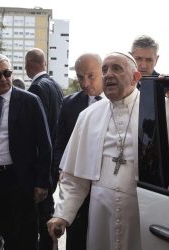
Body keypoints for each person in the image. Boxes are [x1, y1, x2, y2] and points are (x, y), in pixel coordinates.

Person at [47, 52, 169, 250]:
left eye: (116, 68)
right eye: (105, 70)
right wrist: (62, 214)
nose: (108, 74)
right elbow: (74, 178)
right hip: (101, 216)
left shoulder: (161, 109)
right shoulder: (88, 116)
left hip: (147, 213)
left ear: (136, 77)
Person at [0, 53, 52, 250]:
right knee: (3, 230)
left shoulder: (30, 102)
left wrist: (42, 182)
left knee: (27, 236)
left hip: (21, 180)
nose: (4, 78)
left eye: (7, 73)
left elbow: (45, 144)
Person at [54, 53, 104, 250]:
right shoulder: (69, 103)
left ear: (103, 72)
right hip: (76, 185)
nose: (85, 82)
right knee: (76, 239)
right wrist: (61, 169)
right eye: (80, 77)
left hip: (107, 189)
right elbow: (60, 143)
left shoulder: (119, 102)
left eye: (91, 76)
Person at [25, 48, 64, 249]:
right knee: (46, 210)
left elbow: (35, 134)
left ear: (27, 65)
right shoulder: (56, 86)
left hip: (41, 163)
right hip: (53, 161)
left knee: (39, 214)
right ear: (44, 64)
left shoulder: (36, 88)